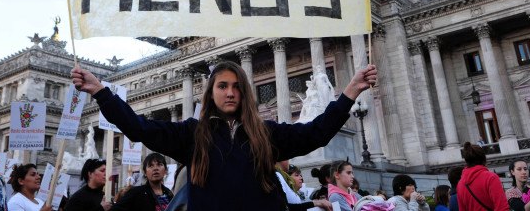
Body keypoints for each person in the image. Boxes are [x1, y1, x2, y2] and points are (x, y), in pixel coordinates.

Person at [72, 60, 377, 211]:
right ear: (211, 92)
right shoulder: (192, 135)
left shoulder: (266, 135)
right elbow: (138, 127)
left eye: (236, 86)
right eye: (222, 86)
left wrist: (350, 91)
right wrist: (101, 92)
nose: (230, 92)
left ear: (244, 92)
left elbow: (317, 133)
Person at [456, 142, 508, 211]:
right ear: (485, 159)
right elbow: (502, 208)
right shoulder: (491, 178)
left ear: (466, 161)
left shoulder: (460, 184)